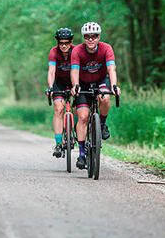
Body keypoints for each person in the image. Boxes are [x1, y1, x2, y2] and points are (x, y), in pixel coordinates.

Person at [71, 21, 120, 170]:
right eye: (87, 37)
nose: (91, 39)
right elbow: (74, 70)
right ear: (84, 38)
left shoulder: (106, 48)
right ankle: (81, 154)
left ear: (99, 37)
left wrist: (114, 86)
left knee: (105, 97)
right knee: (83, 116)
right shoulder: (77, 51)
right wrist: (75, 86)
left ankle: (102, 124)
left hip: (101, 81)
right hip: (83, 84)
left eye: (94, 36)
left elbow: (111, 68)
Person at [45, 27, 74, 158]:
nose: (63, 45)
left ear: (71, 42)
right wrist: (50, 87)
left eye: (66, 43)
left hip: (75, 81)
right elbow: (51, 71)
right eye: (61, 43)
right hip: (59, 82)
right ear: (57, 42)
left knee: (82, 110)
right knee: (58, 109)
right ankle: (58, 143)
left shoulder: (76, 51)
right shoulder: (53, 52)